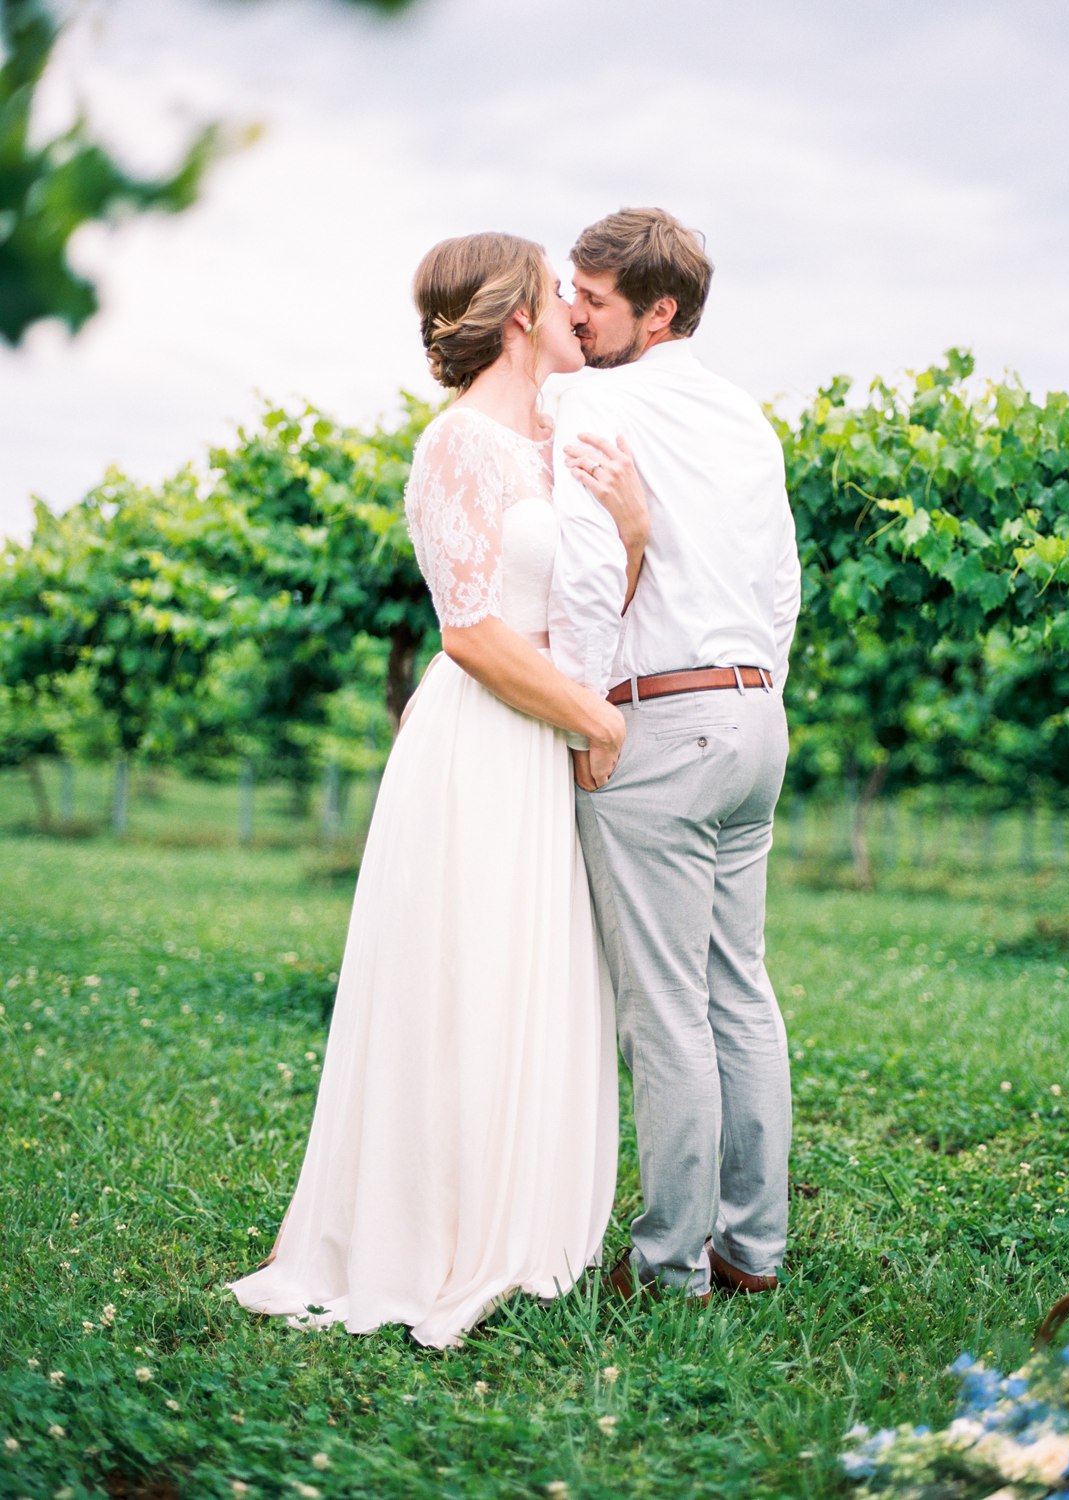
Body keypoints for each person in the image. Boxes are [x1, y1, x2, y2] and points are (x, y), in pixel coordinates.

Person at [229, 232, 646, 1349]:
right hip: (481, 747)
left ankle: (526, 1224)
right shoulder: (458, 445)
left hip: (544, 739)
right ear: (516, 315)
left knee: (538, 971)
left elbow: (591, 600)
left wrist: (636, 532)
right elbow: (469, 634)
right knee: (464, 976)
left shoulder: (558, 444)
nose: (573, 302)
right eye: (556, 288)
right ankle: (435, 1232)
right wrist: (592, 717)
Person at [547, 207, 802, 1304]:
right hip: (753, 717)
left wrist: (589, 713)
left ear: (658, 311)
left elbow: (588, 570)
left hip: (657, 721)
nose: (571, 314)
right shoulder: (748, 416)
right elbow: (782, 586)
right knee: (737, 990)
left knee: (664, 1008)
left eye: (593, 301)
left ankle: (668, 1266)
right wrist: (756, 697)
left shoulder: (589, 400)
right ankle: (754, 1250)